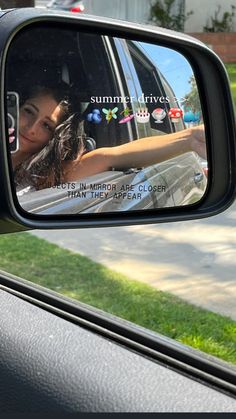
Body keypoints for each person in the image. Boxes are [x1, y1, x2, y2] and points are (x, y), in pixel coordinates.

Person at [11, 85, 206, 191]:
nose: (31, 128)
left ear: (53, 136)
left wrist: (190, 138)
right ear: (13, 108)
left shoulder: (45, 177)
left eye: (46, 125)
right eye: (28, 112)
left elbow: (111, 156)